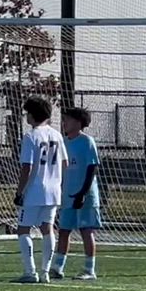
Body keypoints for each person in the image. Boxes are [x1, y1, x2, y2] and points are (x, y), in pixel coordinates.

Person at [13, 96, 66, 283]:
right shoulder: (57, 135)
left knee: (23, 230)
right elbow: (65, 163)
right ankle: (45, 272)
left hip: (34, 190)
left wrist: (20, 192)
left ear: (33, 114)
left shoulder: (31, 136)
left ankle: (30, 272)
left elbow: (26, 167)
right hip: (54, 190)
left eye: (27, 113)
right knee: (47, 229)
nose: (26, 116)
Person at [52, 107, 100, 281]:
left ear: (78, 123)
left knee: (86, 230)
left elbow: (92, 167)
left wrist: (83, 192)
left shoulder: (87, 141)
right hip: (68, 195)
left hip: (85, 195)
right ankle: (58, 267)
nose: (64, 122)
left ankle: (89, 269)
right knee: (64, 231)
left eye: (68, 119)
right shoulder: (63, 142)